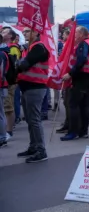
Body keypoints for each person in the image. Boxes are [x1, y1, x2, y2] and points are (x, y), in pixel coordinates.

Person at [16, 29, 50, 163]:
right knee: (30, 119)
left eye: (27, 31)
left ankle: (41, 150)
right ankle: (33, 146)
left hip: (35, 87)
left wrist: (18, 63)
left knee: (34, 120)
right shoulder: (30, 47)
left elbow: (24, 65)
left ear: (35, 33)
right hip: (28, 88)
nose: (24, 34)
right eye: (23, 32)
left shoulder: (38, 48)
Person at [60, 26, 89, 141]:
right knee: (84, 105)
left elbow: (82, 59)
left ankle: (73, 132)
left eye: (75, 33)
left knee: (73, 104)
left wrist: (70, 74)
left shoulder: (83, 44)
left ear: (81, 34)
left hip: (81, 77)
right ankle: (83, 131)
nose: (73, 35)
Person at [1, 27, 21, 140]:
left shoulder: (12, 48)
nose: (2, 33)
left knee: (8, 106)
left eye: (5, 32)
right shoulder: (3, 47)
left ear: (10, 36)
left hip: (9, 81)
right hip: (4, 82)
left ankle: (9, 131)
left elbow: (14, 65)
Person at [0, 35, 10, 147]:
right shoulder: (3, 53)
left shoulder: (1, 54)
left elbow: (1, 73)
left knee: (1, 113)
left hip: (1, 86)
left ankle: (2, 137)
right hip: (3, 85)